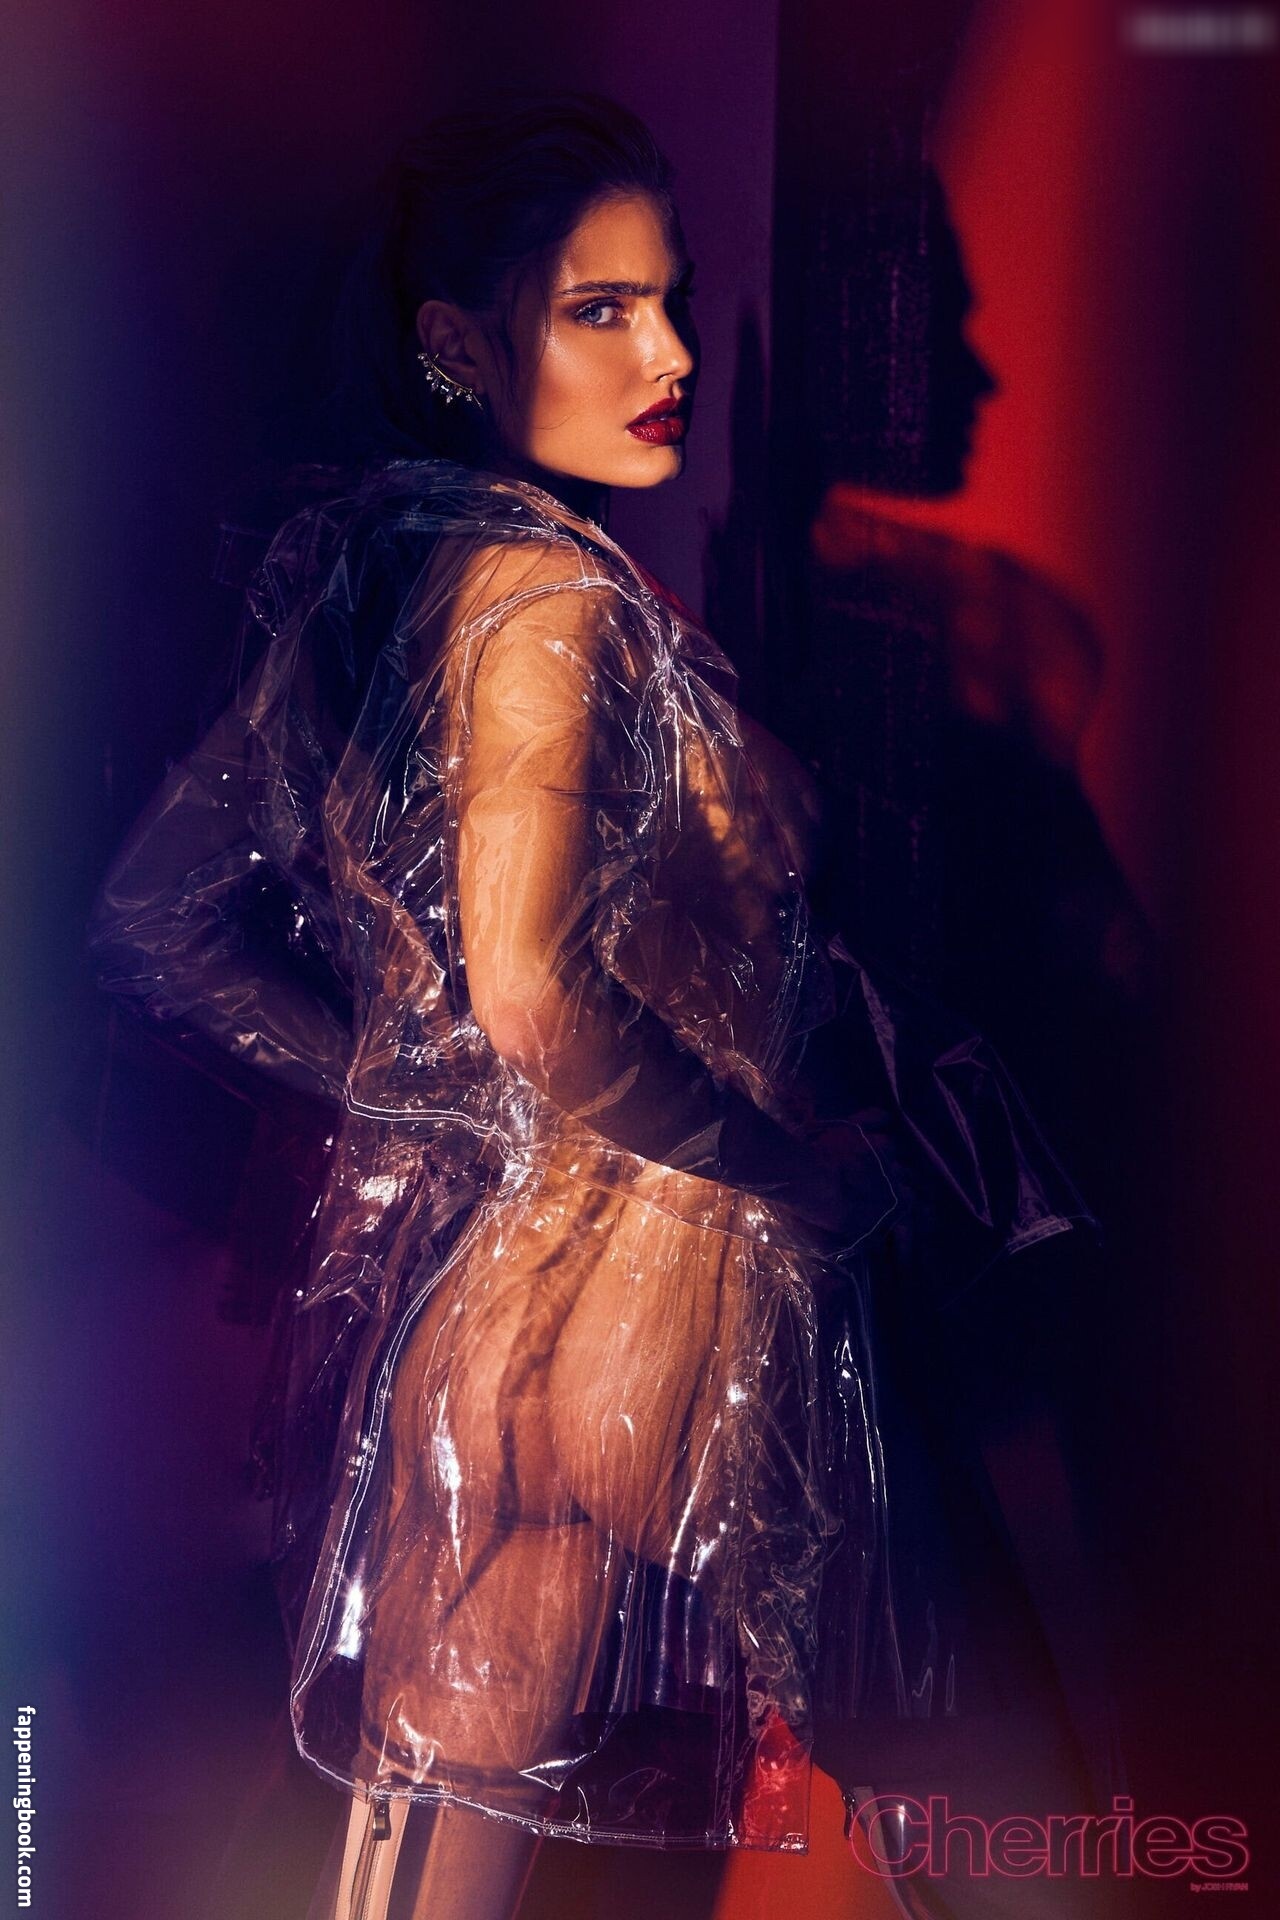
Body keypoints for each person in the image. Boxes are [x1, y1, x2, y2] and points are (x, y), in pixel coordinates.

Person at [87, 93, 1097, 1920]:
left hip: (487, 1326)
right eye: (601, 309)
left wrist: (422, 1096)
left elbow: (157, 921)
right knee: (1008, 1822)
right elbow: (538, 994)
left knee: (410, 1873)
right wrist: (790, 1171)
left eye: (674, 300)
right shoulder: (557, 603)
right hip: (687, 1297)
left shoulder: (386, 594)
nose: (675, 354)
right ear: (458, 347)